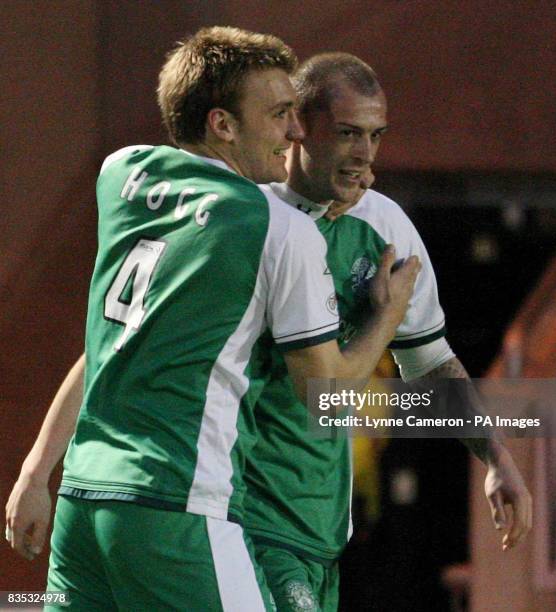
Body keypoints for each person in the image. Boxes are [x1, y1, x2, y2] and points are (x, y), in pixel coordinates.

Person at [5, 31, 419, 611]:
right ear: (223, 125)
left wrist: (34, 472)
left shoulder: (122, 174)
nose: (295, 132)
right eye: (279, 115)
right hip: (178, 504)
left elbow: (111, 350)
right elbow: (324, 395)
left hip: (83, 497)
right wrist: (387, 316)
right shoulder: (278, 230)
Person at [241, 53, 532, 611]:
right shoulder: (248, 214)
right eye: (348, 134)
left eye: (375, 136)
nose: (365, 155)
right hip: (240, 508)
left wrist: (498, 458)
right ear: (297, 124)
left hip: (320, 522)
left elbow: (431, 364)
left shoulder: (386, 228)